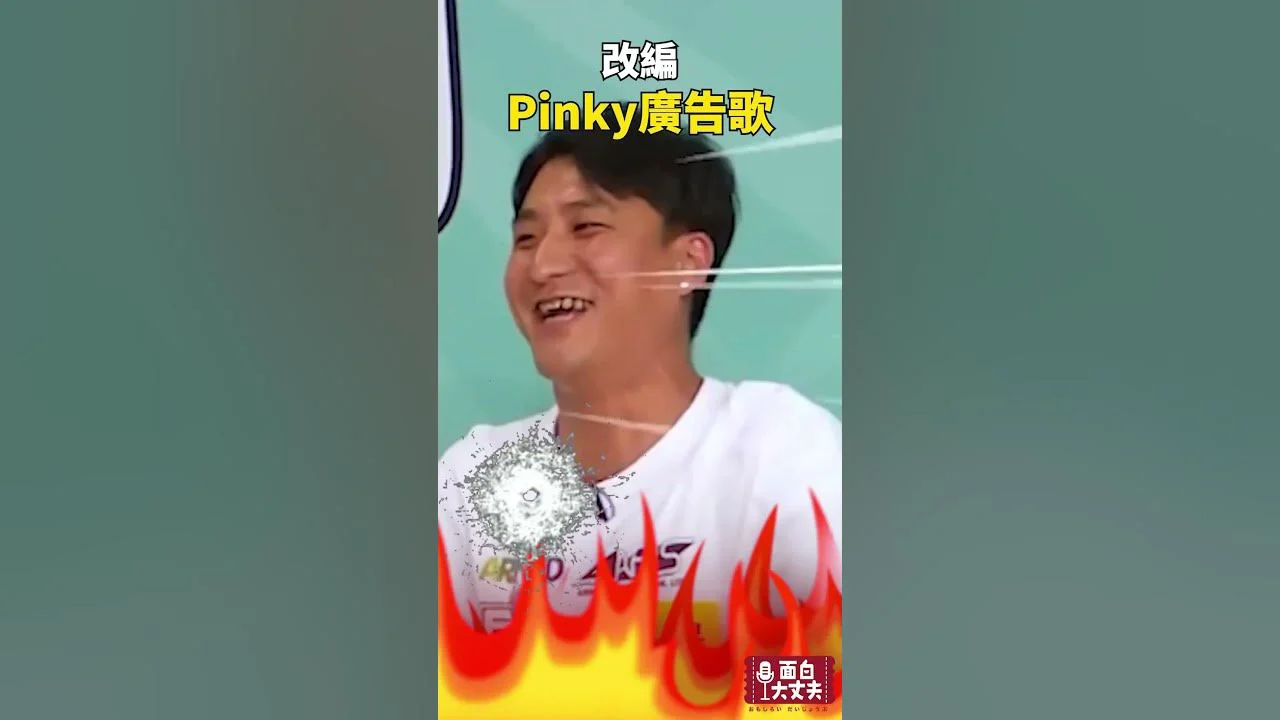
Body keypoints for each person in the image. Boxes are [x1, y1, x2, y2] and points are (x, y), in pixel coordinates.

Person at [437, 121, 841, 639]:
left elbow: (831, 675)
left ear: (688, 261)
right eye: (526, 238)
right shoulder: (472, 477)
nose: (543, 265)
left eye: (586, 227)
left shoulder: (780, 451)